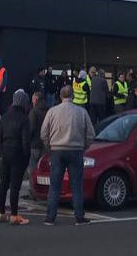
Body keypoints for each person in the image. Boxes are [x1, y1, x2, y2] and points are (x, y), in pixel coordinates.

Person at [41, 85, 95, 226]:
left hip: (57, 150)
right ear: (73, 96)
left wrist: (50, 146)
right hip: (76, 150)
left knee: (55, 186)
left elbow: (43, 133)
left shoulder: (52, 111)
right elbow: (91, 134)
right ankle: (79, 217)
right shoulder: (81, 112)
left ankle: (50, 217)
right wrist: (84, 146)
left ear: (60, 96)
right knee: (76, 185)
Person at [0, 89, 32, 225]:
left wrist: (1, 151)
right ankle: (14, 214)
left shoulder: (5, 116)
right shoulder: (24, 119)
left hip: (6, 152)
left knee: (3, 183)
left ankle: (1, 212)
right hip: (18, 154)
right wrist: (26, 157)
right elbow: (26, 141)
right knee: (15, 186)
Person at [28, 91, 48, 182]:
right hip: (46, 145)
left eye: (32, 99)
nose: (32, 101)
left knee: (33, 169)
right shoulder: (49, 110)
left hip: (35, 144)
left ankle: (33, 191)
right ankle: (43, 188)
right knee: (43, 169)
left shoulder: (34, 112)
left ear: (36, 99)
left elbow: (31, 128)